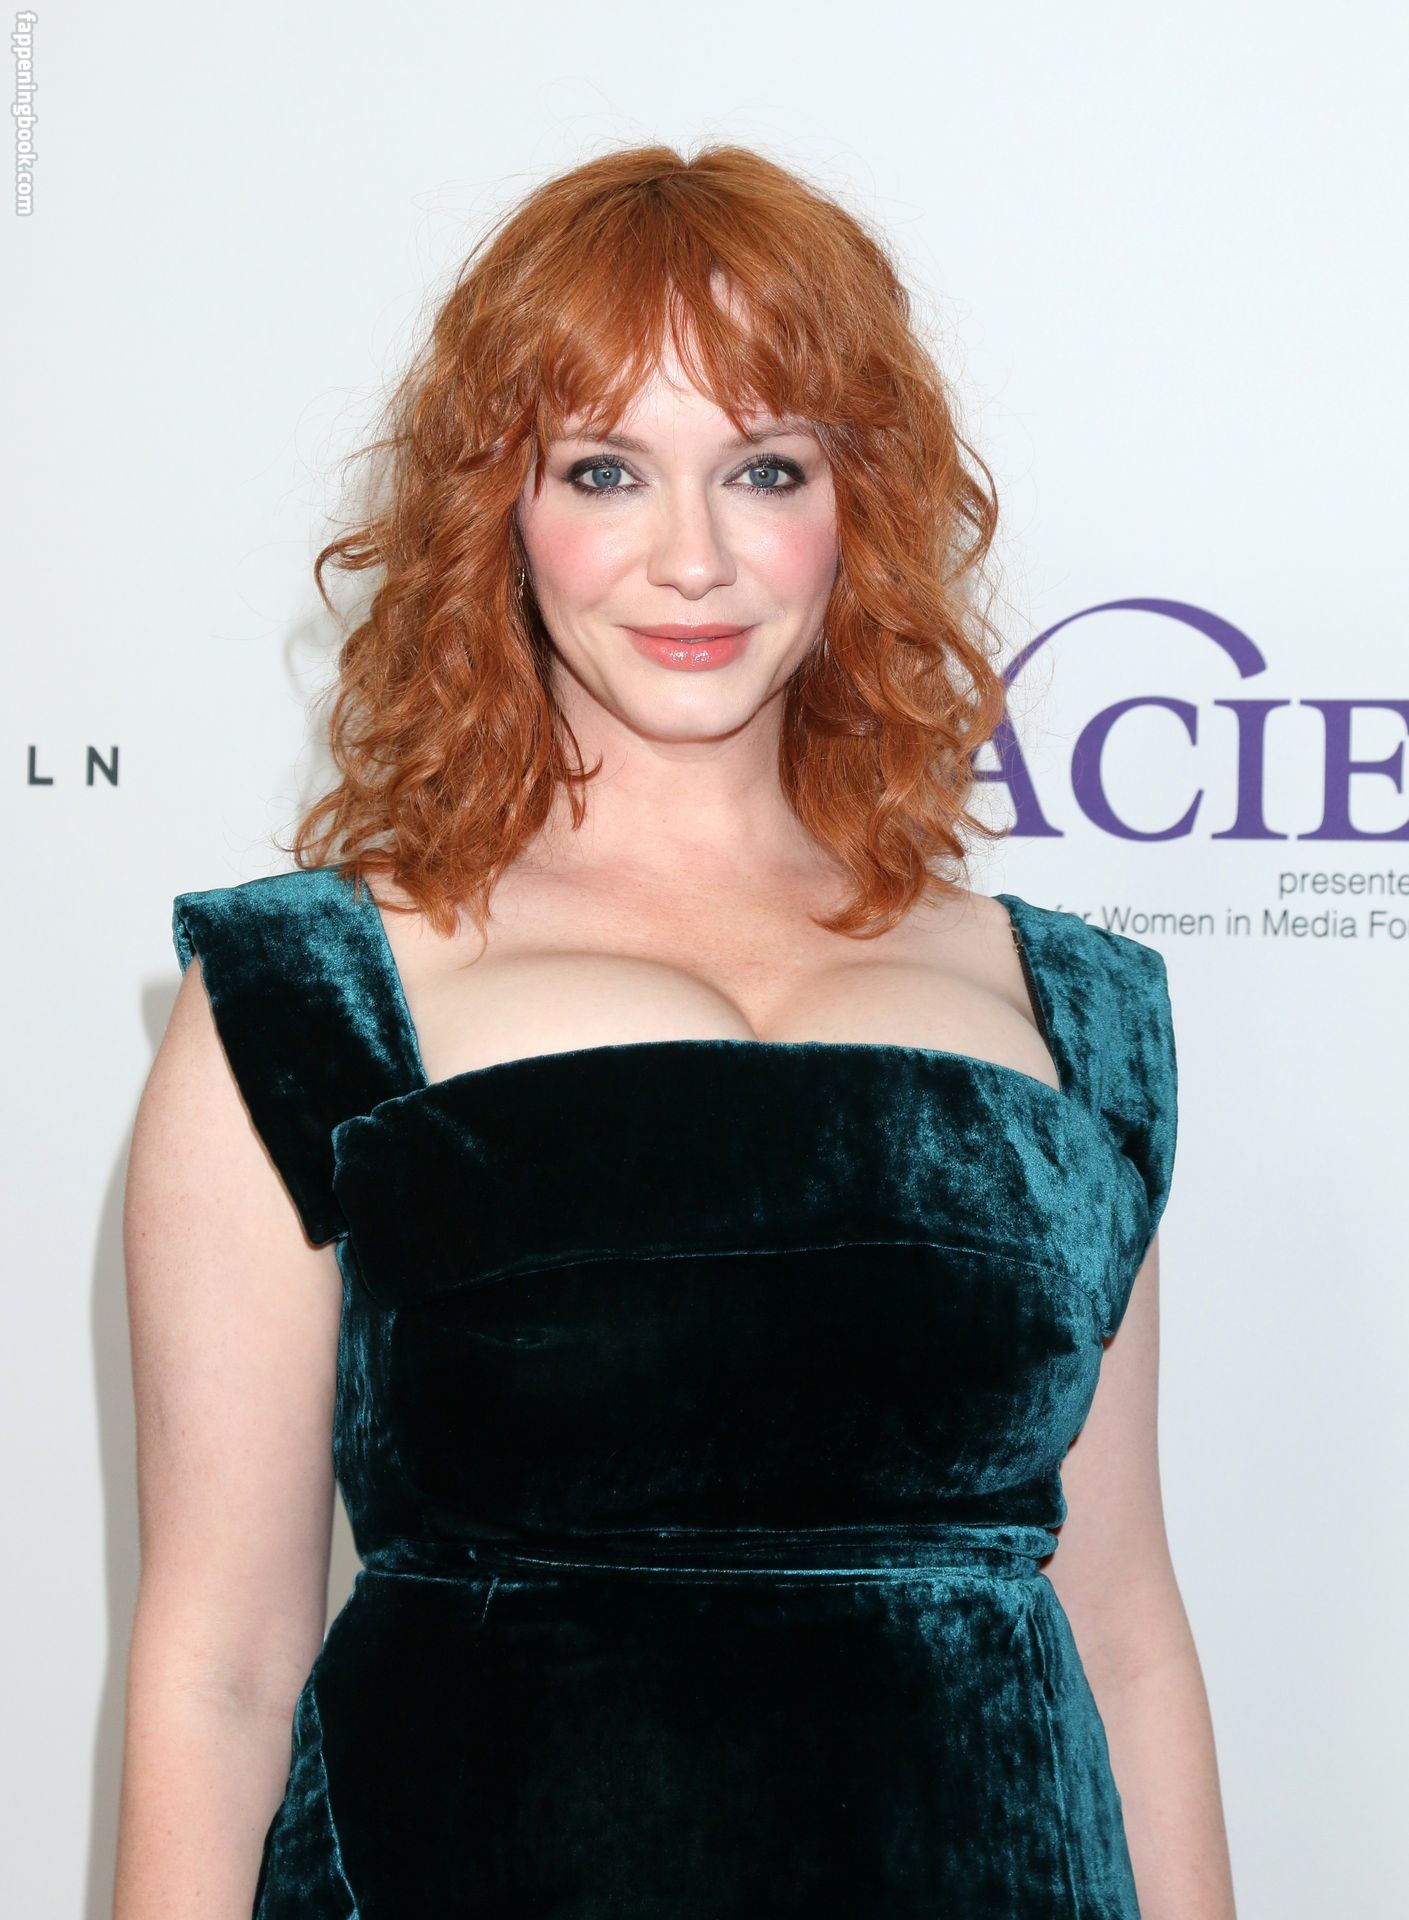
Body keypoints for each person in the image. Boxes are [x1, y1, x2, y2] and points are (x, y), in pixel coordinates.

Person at [115, 143, 1237, 1917]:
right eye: (606, 470)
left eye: (764, 468)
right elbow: (220, 1666)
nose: (692, 558)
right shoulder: (310, 993)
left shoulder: (1068, 1012)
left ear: (856, 506)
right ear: (498, 509)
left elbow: (1124, 1631)